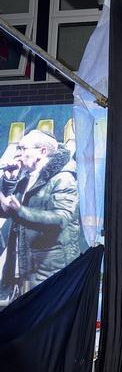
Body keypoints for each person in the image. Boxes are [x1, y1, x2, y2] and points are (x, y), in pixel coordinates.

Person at [0, 129, 80, 301]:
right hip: (23, 270)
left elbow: (60, 219)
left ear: (42, 152)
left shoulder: (63, 178)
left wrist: (19, 211)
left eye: (22, 148)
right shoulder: (24, 177)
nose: (17, 153)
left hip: (50, 272)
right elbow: (6, 211)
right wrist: (9, 183)